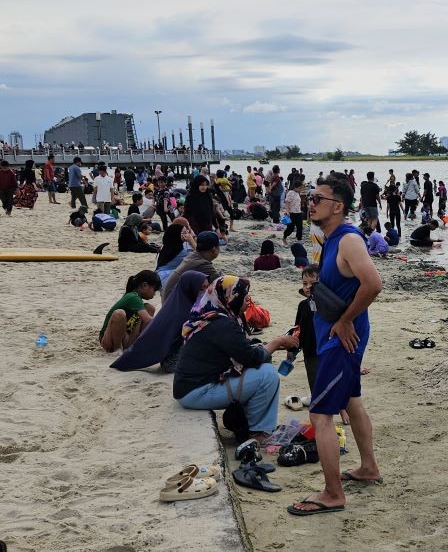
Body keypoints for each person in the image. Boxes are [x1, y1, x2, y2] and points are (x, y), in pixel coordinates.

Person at [288, 177, 383, 516]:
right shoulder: (330, 239)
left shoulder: (349, 240)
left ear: (338, 206)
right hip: (337, 336)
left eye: (318, 198)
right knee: (352, 401)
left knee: (320, 414)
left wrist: (344, 321)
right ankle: (369, 467)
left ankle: (332, 493)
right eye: (310, 197)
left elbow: (374, 284)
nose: (310, 203)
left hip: (341, 339)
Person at [174, 276, 299, 442]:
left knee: (261, 369)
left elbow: (241, 348)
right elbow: (251, 358)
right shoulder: (222, 324)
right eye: (243, 295)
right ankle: (257, 431)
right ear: (230, 297)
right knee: (268, 375)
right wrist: (277, 343)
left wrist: (270, 345)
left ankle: (253, 423)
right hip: (197, 392)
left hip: (190, 387)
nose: (248, 299)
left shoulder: (210, 315)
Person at [111, 270, 208, 372]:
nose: (206, 292)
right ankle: (118, 348)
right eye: (202, 288)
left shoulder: (185, 303)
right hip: (174, 362)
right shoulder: (181, 309)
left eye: (207, 287)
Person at [100, 270, 160, 353]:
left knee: (149, 308)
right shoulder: (133, 297)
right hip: (109, 340)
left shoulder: (137, 298)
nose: (154, 294)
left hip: (125, 338)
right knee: (119, 314)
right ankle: (117, 349)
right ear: (144, 285)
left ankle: (137, 345)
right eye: (154, 289)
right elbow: (148, 320)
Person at [161, 231, 222, 301]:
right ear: (214, 249)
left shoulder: (194, 256)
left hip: (169, 302)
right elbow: (221, 284)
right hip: (175, 305)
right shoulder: (202, 264)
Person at [156, 218, 197, 283]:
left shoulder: (168, 246)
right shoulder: (182, 252)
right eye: (184, 232)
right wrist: (192, 240)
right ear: (177, 233)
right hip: (166, 278)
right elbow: (200, 256)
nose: (187, 233)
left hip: (160, 275)